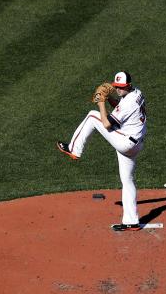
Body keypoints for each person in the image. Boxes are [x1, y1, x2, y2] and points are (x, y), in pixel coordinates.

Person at [57, 71, 147, 231]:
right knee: (127, 181)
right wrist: (110, 100)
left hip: (126, 142)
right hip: (135, 144)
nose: (118, 90)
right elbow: (120, 109)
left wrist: (101, 102)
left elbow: (106, 124)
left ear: (128, 86)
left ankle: (74, 149)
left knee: (93, 116)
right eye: (116, 87)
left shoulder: (128, 102)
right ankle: (132, 221)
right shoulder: (137, 93)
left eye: (121, 88)